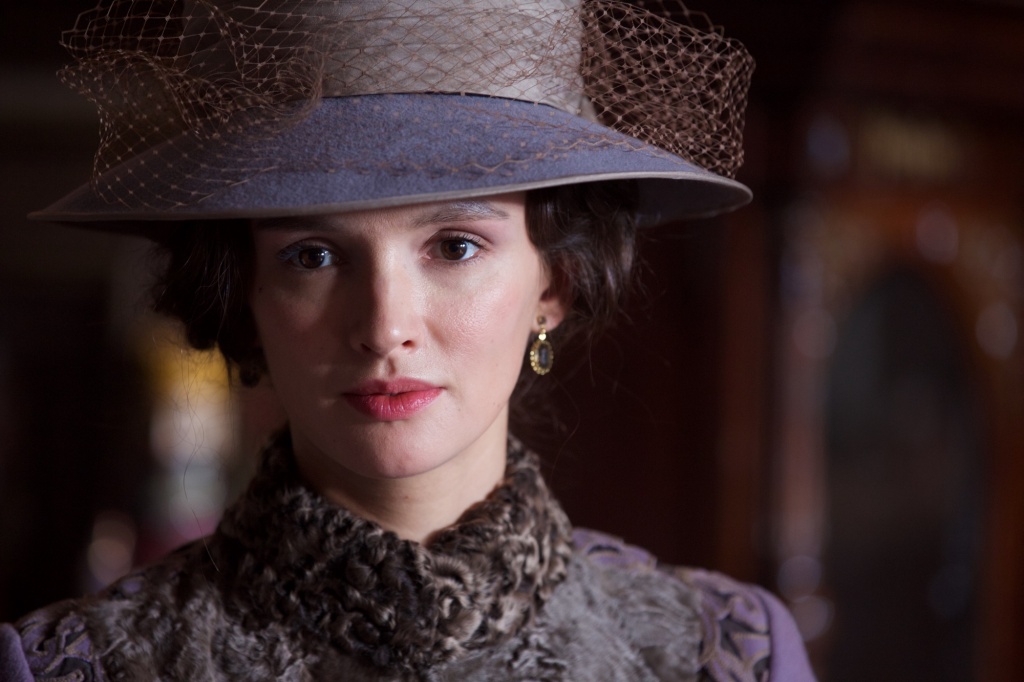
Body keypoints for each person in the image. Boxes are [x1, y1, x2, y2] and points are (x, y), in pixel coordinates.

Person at [1, 0, 815, 679]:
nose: (385, 327)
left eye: (454, 247)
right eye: (313, 256)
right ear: (244, 297)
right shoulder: (77, 666)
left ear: (555, 283)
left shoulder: (722, 653)